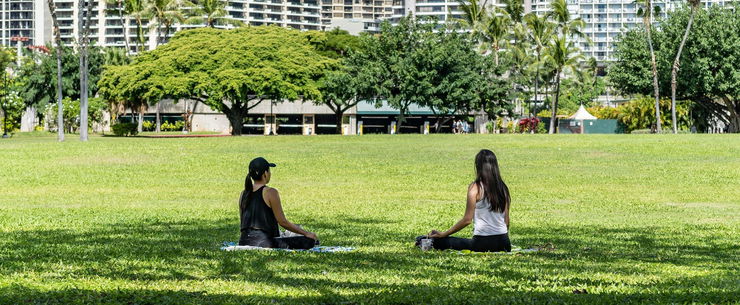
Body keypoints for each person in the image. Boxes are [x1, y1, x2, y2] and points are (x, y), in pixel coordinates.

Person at [416, 149, 511, 252]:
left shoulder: (476, 187)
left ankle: (422, 240)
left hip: (482, 244)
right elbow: (506, 221)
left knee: (428, 240)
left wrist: (444, 234)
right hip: (505, 244)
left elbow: (467, 220)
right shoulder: (503, 188)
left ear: (477, 166)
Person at [238, 157, 318, 249]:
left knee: (293, 232)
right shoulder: (270, 192)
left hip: (243, 241)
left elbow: (243, 222)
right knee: (309, 241)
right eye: (269, 171)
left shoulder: (243, 194)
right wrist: (306, 233)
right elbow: (282, 222)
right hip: (264, 242)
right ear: (265, 173)